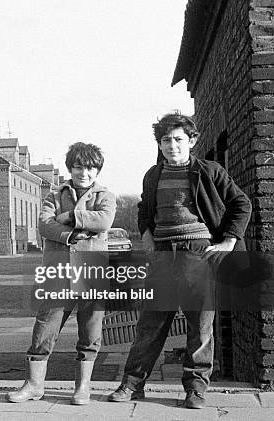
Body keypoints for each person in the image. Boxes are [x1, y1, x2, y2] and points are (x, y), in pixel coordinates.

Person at [107, 112, 251, 409]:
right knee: (151, 323)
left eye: (178, 139)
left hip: (197, 251)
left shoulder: (209, 171)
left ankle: (196, 389)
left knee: (200, 325)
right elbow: (145, 209)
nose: (172, 145)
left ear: (192, 141)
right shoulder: (153, 175)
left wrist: (228, 241)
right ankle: (132, 385)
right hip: (162, 254)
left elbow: (241, 203)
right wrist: (147, 236)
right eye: (165, 140)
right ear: (159, 144)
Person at [6, 142, 116, 405]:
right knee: (45, 327)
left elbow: (103, 221)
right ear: (70, 168)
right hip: (58, 272)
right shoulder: (53, 196)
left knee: (90, 331)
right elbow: (44, 224)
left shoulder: (105, 196)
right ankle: (34, 385)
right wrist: (69, 234)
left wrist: (69, 216)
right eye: (78, 166)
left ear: (97, 169)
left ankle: (83, 387)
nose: (84, 173)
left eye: (90, 167)